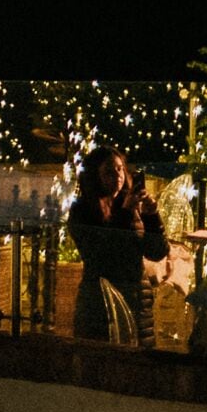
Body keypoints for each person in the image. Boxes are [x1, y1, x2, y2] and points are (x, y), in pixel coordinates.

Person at [67, 144, 166, 342]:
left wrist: (151, 216)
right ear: (95, 175)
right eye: (109, 171)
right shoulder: (83, 210)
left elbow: (157, 252)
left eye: (120, 169)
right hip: (100, 303)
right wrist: (124, 212)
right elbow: (98, 254)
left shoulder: (131, 204)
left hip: (138, 302)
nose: (117, 175)